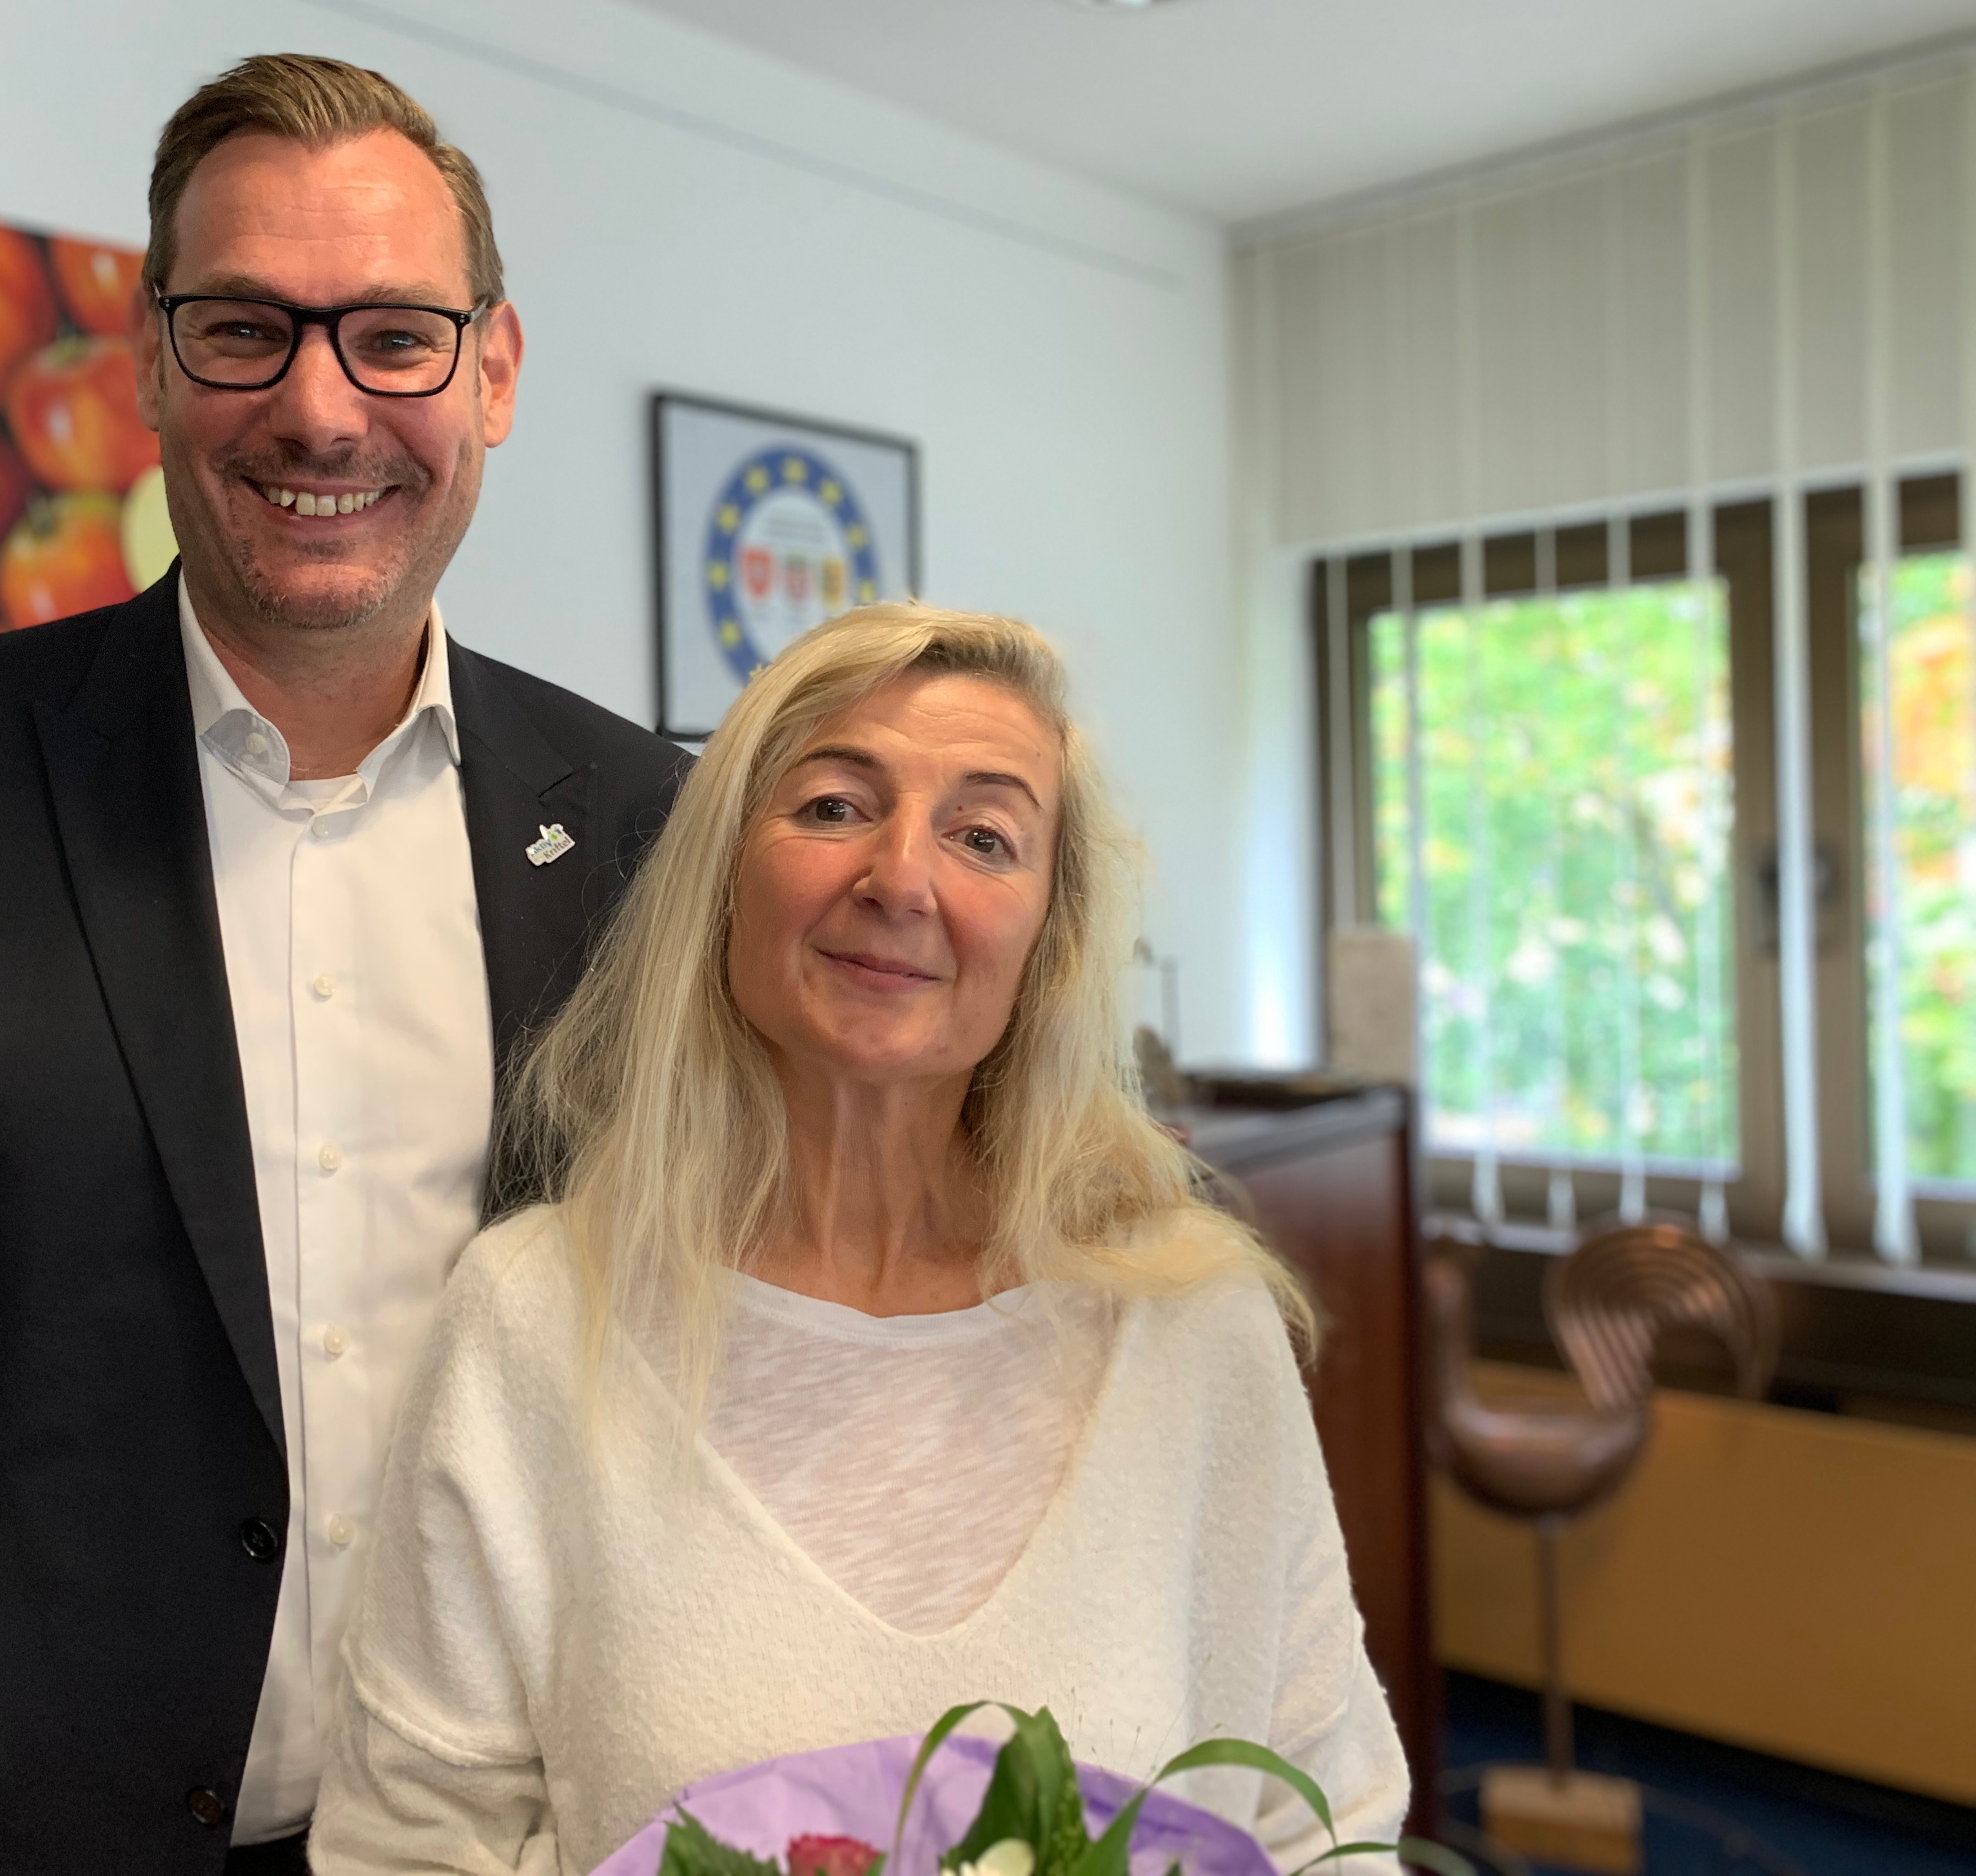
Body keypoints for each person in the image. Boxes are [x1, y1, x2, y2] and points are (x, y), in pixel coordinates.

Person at [0, 54, 686, 1875]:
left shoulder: (641, 816)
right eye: (247, 329)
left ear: (493, 373)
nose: (321, 411)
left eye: (396, 338)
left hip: (503, 1831)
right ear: (152, 361)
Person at [310, 605, 1410, 1874]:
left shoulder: (1192, 1328)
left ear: (1047, 943)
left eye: (984, 837)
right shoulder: (536, 1319)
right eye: (833, 806)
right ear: (724, 880)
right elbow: (408, 1844)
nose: (901, 878)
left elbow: (1328, 1832)